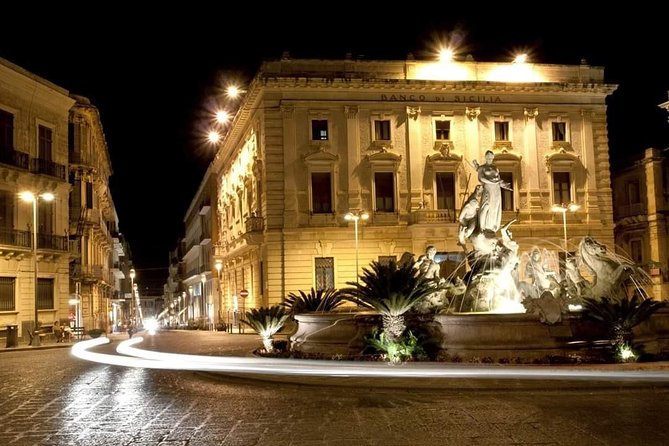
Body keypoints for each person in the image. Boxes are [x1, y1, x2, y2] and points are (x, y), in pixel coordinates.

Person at [473, 150, 512, 234]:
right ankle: (484, 226)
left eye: (491, 157)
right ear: (486, 157)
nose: (490, 159)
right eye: (488, 157)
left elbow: (499, 179)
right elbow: (481, 178)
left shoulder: (495, 168)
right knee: (487, 205)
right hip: (488, 188)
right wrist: (492, 182)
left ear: (493, 158)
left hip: (496, 189)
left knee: (495, 207)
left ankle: (492, 226)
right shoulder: (482, 168)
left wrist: (504, 184)